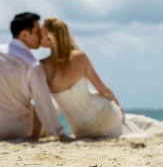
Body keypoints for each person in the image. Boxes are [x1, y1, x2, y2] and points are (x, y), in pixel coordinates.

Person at [40, 17, 125, 138]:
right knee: (133, 124)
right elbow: (103, 89)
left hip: (81, 128)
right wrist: (119, 107)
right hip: (107, 116)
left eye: (41, 34)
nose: (38, 36)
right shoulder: (80, 57)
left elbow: (44, 102)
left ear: (50, 38)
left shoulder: (42, 66)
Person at [0, 13, 72, 141]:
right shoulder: (32, 64)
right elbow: (42, 102)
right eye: (37, 32)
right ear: (24, 35)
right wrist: (59, 133)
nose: (40, 36)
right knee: (54, 103)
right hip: (18, 129)